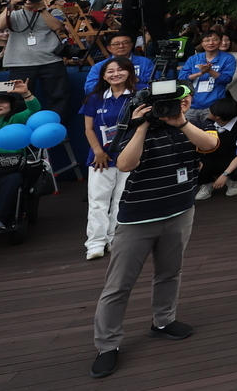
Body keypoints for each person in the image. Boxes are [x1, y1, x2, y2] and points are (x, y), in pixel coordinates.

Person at [89, 87, 218, 379]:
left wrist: (182, 122)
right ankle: (107, 346)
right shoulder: (135, 128)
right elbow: (124, 164)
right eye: (170, 102)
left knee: (170, 272)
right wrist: (143, 125)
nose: (178, 104)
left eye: (184, 98)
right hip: (138, 220)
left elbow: (209, 146)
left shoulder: (197, 123)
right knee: (119, 285)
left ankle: (163, 321)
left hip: (180, 212)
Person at [80, 57, 139, 260]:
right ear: (104, 76)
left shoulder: (138, 96)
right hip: (100, 157)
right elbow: (88, 128)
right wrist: (98, 151)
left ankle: (116, 239)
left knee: (122, 200)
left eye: (120, 70)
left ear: (129, 72)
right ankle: (95, 243)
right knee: (98, 201)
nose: (115, 74)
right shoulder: (95, 97)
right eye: (110, 71)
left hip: (129, 156)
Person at [0, 0, 70, 120]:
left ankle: (58, 129)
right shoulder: (13, 14)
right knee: (18, 99)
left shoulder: (53, 11)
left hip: (51, 61)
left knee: (58, 97)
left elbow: (56, 26)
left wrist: (41, 8)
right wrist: (10, 6)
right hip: (19, 62)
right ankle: (20, 131)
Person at [0, 79, 40, 232]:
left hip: (11, 169)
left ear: (10, 106)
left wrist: (25, 93)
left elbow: (34, 111)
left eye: (3, 102)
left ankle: (1, 219)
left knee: (14, 180)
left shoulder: (15, 120)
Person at [194, 97, 237, 201]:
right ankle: (207, 184)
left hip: (231, 160)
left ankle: (233, 182)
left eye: (211, 110)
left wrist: (225, 174)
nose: (208, 111)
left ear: (217, 117)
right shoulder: (206, 124)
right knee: (195, 166)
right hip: (211, 159)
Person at [177, 30, 237, 126]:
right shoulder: (193, 59)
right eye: (206, 40)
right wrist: (199, 73)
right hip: (191, 105)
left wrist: (210, 71)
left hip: (213, 107)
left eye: (215, 40)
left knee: (209, 134)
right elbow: (182, 78)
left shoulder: (228, 58)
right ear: (202, 43)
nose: (210, 43)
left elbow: (226, 79)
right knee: (188, 134)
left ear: (221, 41)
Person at [85, 32, 155, 93]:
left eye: (125, 43)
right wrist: (111, 82)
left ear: (131, 45)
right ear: (109, 48)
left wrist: (136, 79)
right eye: (116, 44)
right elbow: (89, 89)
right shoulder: (99, 66)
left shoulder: (145, 62)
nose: (121, 46)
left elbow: (154, 84)